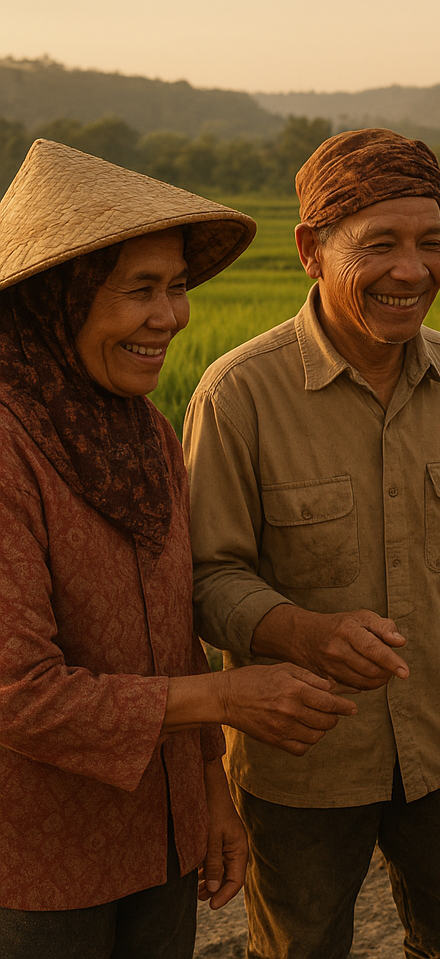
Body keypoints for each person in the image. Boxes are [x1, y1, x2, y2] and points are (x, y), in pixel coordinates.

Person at [184, 128, 440, 959]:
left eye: (430, 242)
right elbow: (203, 577)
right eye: (379, 244)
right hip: (302, 766)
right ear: (312, 249)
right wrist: (297, 631)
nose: (412, 271)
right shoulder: (239, 396)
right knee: (300, 947)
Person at [0, 140, 353, 959]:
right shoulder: (10, 443)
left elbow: (171, 631)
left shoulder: (145, 433)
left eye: (178, 288)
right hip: (37, 854)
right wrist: (226, 703)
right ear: (62, 298)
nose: (171, 316)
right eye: (141, 291)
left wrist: (208, 794)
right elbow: (18, 692)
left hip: (157, 835)